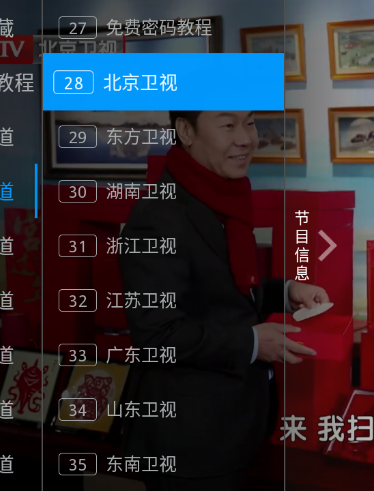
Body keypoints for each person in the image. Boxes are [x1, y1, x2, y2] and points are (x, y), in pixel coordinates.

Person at [118, 110, 329, 491]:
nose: (245, 138)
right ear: (186, 131)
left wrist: (285, 291)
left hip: (235, 427)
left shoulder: (221, 198)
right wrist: (252, 342)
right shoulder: (158, 217)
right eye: (228, 125)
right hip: (190, 440)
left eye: (250, 123)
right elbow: (156, 335)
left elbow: (220, 288)